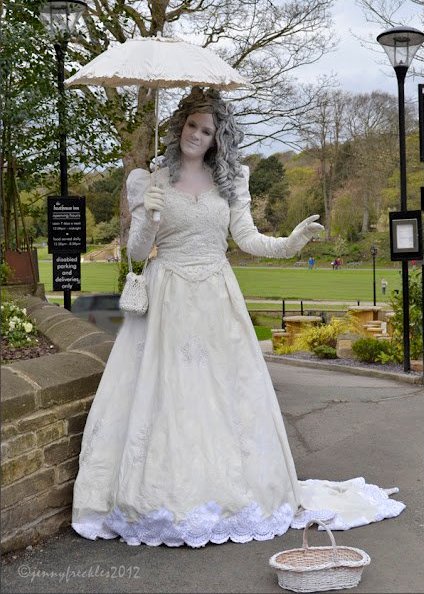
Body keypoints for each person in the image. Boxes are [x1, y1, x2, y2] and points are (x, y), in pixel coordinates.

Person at [72, 87, 404, 548]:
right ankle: (160, 497)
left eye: (207, 130)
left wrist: (290, 243)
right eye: (192, 125)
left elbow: (247, 239)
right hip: (166, 297)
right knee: (164, 395)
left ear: (216, 138)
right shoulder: (150, 178)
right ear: (180, 126)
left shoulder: (232, 180)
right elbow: (134, 254)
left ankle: (229, 493)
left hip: (216, 300)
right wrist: (146, 215)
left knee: (225, 397)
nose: (197, 135)